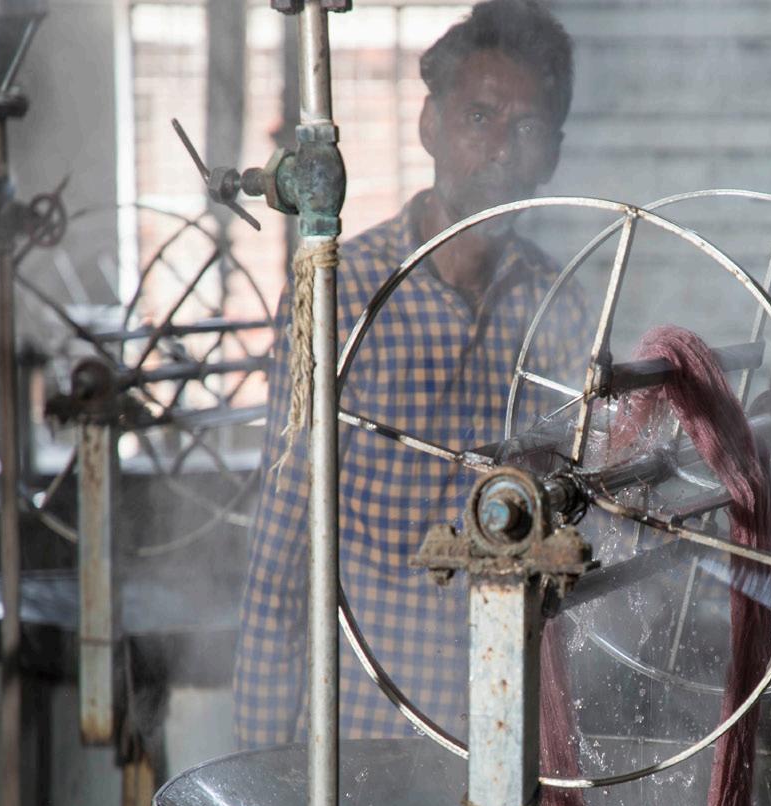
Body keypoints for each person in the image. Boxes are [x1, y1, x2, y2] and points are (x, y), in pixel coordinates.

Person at [233, 0, 585, 762]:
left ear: (552, 156)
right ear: (431, 125)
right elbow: (282, 550)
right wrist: (261, 770)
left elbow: (593, 521)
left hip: (509, 739)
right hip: (365, 741)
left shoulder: (559, 303)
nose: (501, 152)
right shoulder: (344, 294)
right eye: (480, 118)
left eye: (527, 129)